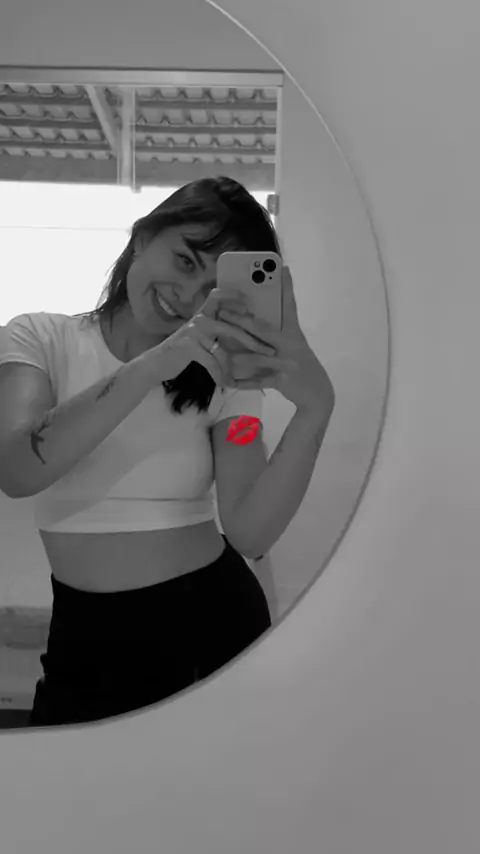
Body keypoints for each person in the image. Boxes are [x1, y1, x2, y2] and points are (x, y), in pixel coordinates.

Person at [0, 176, 335, 728]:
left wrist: (315, 410)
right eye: (185, 261)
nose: (187, 296)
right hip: (81, 639)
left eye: (211, 289)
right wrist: (155, 364)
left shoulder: (225, 378)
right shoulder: (40, 338)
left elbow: (250, 532)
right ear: (143, 236)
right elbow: (16, 469)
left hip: (209, 633)